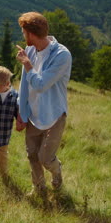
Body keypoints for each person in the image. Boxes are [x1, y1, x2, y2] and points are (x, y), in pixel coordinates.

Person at [15, 12, 72, 195]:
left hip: (54, 115)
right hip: (33, 114)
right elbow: (24, 85)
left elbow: (40, 85)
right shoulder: (30, 50)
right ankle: (39, 188)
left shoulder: (62, 55)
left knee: (46, 158)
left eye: (24, 32)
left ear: (30, 34)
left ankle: (57, 171)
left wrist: (28, 64)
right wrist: (21, 113)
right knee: (32, 155)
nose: (23, 36)